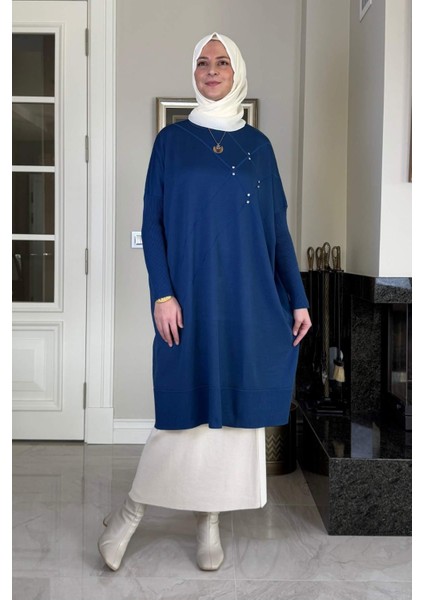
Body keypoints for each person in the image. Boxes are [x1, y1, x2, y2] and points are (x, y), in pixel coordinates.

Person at [98, 31, 311, 573]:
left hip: (246, 300)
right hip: (189, 300)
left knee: (230, 423)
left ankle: (208, 521)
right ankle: (129, 514)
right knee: (180, 418)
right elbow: (152, 223)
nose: (211, 70)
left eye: (221, 62)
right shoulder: (171, 142)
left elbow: (277, 232)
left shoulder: (258, 148)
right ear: (193, 72)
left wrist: (298, 298)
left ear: (236, 71)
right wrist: (162, 293)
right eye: (202, 62)